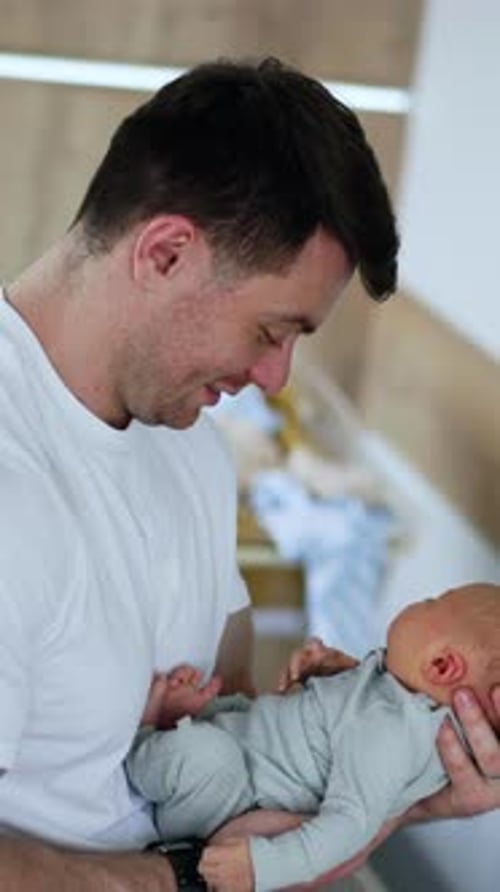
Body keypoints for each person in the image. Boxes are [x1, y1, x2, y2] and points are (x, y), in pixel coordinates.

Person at [0, 55, 497, 891]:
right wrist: (187, 880)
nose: (275, 378)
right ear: (165, 253)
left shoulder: (186, 436)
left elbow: (225, 684)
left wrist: (356, 749)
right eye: (272, 332)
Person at [125, 582, 500, 891]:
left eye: (430, 602)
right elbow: (340, 719)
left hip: (226, 801)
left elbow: (349, 826)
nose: (421, 600)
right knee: (235, 711)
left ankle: (133, 749)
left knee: (207, 754)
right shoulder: (403, 699)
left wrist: (262, 868)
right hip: (252, 747)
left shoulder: (390, 738)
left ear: (442, 665)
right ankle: (175, 730)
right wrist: (325, 676)